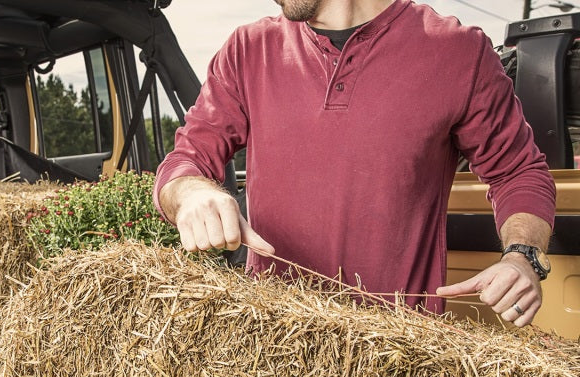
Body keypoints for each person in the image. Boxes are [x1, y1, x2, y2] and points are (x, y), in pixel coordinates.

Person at [153, 0, 556, 327]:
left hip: (399, 359)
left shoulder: (458, 51)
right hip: (271, 351)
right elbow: (186, 160)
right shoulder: (247, 49)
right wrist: (192, 193)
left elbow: (518, 172)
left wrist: (522, 257)